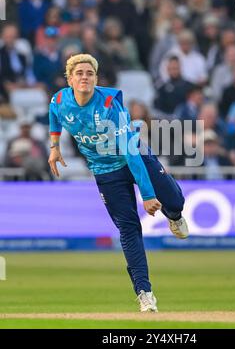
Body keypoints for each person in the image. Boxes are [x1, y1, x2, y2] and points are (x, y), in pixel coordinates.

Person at [48, 54, 188, 312]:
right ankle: (145, 293)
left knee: (176, 201)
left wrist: (146, 194)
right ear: (69, 79)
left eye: (89, 73)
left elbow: (130, 152)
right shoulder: (59, 99)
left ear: (96, 78)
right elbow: (54, 116)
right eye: (79, 73)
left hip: (135, 157)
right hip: (105, 172)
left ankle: (174, 214)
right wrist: (54, 147)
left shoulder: (109, 103)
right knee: (129, 229)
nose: (84, 77)